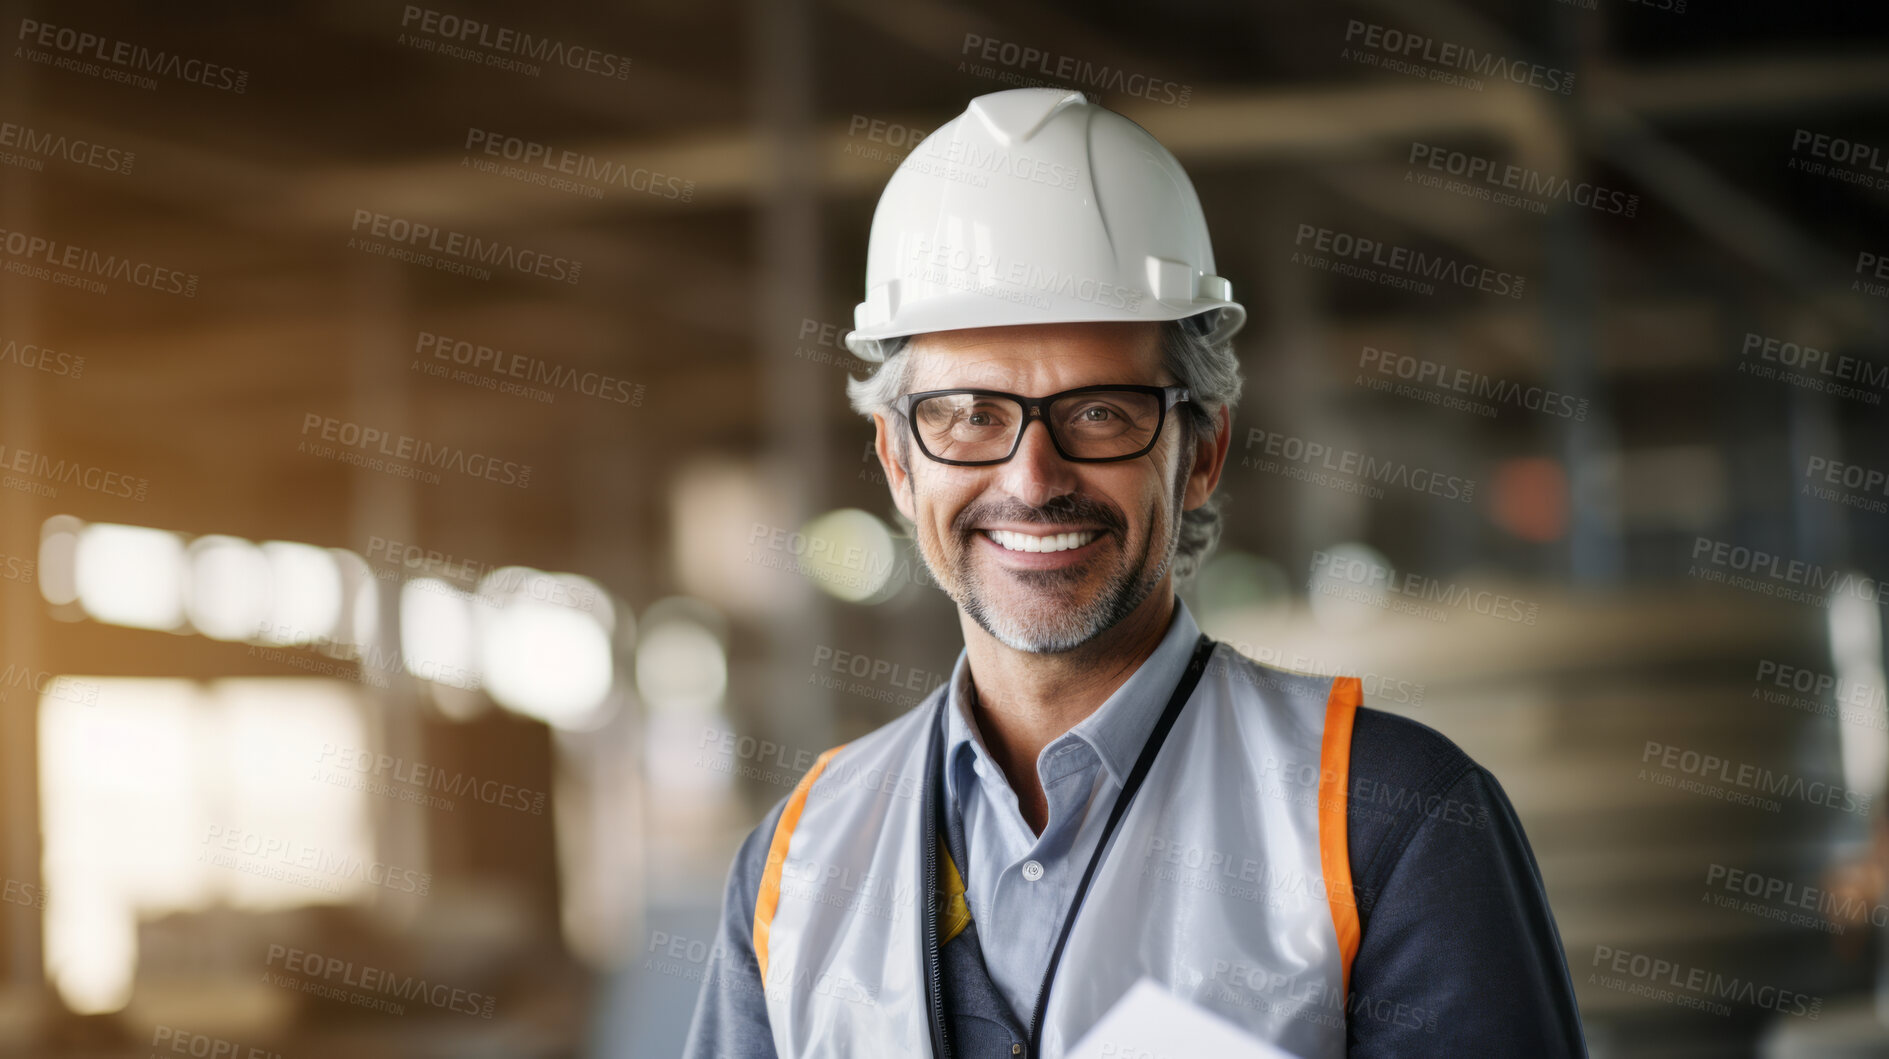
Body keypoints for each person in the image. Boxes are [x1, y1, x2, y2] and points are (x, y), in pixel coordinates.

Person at [683, 87, 1585, 1058]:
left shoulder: (1392, 822)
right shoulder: (797, 862)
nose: (1031, 480)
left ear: (1198, 451)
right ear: (900, 463)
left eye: (1101, 412)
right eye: (968, 416)